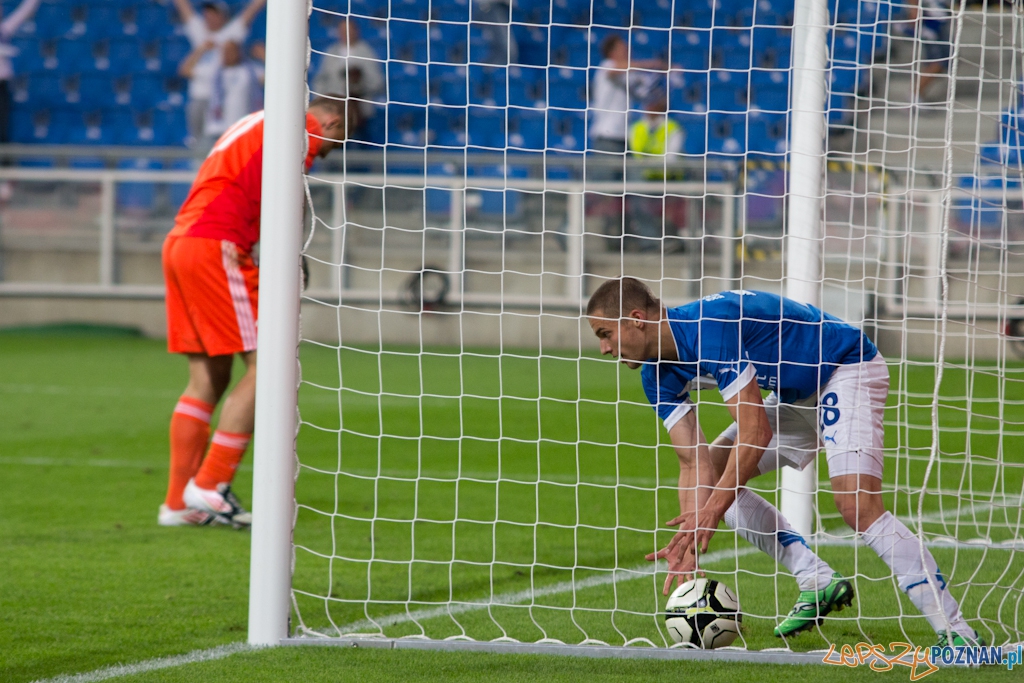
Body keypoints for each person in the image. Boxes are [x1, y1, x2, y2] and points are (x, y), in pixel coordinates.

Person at [586, 278, 984, 646]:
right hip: (794, 398)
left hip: (844, 368)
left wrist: (711, 509)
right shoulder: (655, 375)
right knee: (718, 480)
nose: (604, 348)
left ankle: (956, 633)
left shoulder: (708, 329)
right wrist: (692, 536)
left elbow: (755, 431)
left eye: (605, 334)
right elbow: (692, 463)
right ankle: (816, 578)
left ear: (636, 320)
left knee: (856, 506)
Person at [158, 96, 353, 528]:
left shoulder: (257, 120)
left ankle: (178, 504)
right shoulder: (298, 128)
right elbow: (288, 201)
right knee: (271, 364)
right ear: (332, 121)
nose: (323, 155)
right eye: (332, 145)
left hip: (182, 241)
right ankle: (210, 484)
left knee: (209, 376)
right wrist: (290, 256)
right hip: (217, 244)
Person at [588, 35, 664, 250]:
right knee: (600, 195)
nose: (627, 52)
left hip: (625, 142)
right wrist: (653, 64)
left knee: (636, 189)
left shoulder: (629, 76)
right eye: (623, 48)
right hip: (606, 140)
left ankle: (648, 241)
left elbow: (650, 97)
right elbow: (616, 70)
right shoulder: (607, 67)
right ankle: (567, 230)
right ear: (612, 51)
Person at [172, 0, 266, 149]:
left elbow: (250, 12)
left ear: (223, 16)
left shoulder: (231, 34)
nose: (209, 16)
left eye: (214, 13)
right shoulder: (200, 32)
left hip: (222, 101)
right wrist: (202, 48)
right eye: (207, 13)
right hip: (200, 96)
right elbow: (185, 9)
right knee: (199, 143)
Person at [626, 85, 683, 252]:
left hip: (668, 180)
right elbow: (634, 156)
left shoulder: (673, 128)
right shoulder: (636, 128)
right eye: (648, 103)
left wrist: (649, 162)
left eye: (654, 103)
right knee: (637, 194)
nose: (650, 107)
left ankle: (670, 240)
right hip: (643, 180)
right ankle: (649, 243)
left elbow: (670, 159)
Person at [0, 0, 41, 200]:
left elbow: (25, 10)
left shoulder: (4, 30)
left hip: (2, 87)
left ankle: (6, 182)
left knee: (3, 133)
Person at [312, 17, 383, 133]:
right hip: (334, 112)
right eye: (343, 30)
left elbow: (377, 81)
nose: (346, 34)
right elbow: (320, 79)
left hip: (360, 112)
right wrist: (321, 103)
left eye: (349, 30)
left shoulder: (366, 52)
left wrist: (359, 84)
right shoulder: (331, 52)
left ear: (356, 31)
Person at [201, 40, 264, 147]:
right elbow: (186, 70)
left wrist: (263, 55)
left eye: (231, 51)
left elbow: (275, 75)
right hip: (218, 127)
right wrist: (201, 48)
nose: (228, 54)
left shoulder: (251, 71)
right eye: (225, 51)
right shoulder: (213, 70)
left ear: (239, 52)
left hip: (242, 126)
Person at [905, 0, 951, 108]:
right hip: (930, 24)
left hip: (938, 23)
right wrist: (914, 11)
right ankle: (915, 95)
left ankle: (917, 94)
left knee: (943, 59)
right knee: (939, 61)